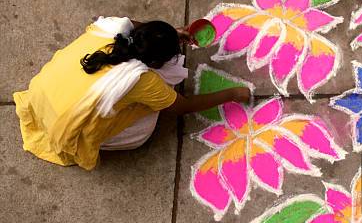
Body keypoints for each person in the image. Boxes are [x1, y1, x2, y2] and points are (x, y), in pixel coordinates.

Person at [13, 16, 249, 170]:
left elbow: (136, 25)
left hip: (42, 97)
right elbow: (182, 107)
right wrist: (232, 94)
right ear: (155, 62)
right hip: (63, 128)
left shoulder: (111, 28)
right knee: (143, 130)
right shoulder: (141, 80)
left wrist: (169, 33)